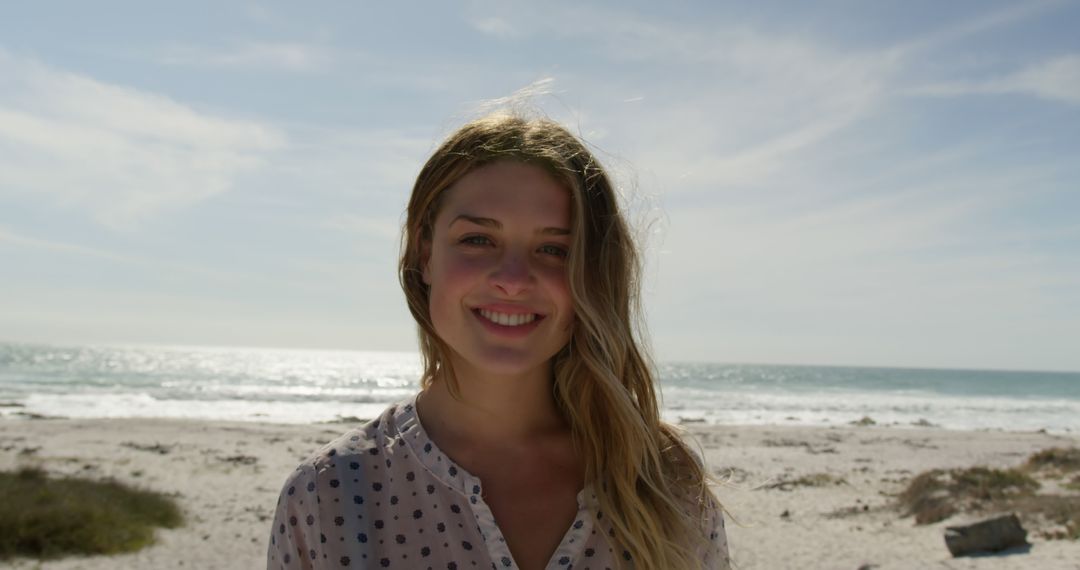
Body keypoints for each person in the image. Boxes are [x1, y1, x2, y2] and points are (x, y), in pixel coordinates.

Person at [267, 113, 729, 569]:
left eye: (553, 250)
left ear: (591, 273)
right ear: (425, 255)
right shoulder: (330, 497)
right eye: (477, 239)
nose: (512, 280)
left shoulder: (663, 481)